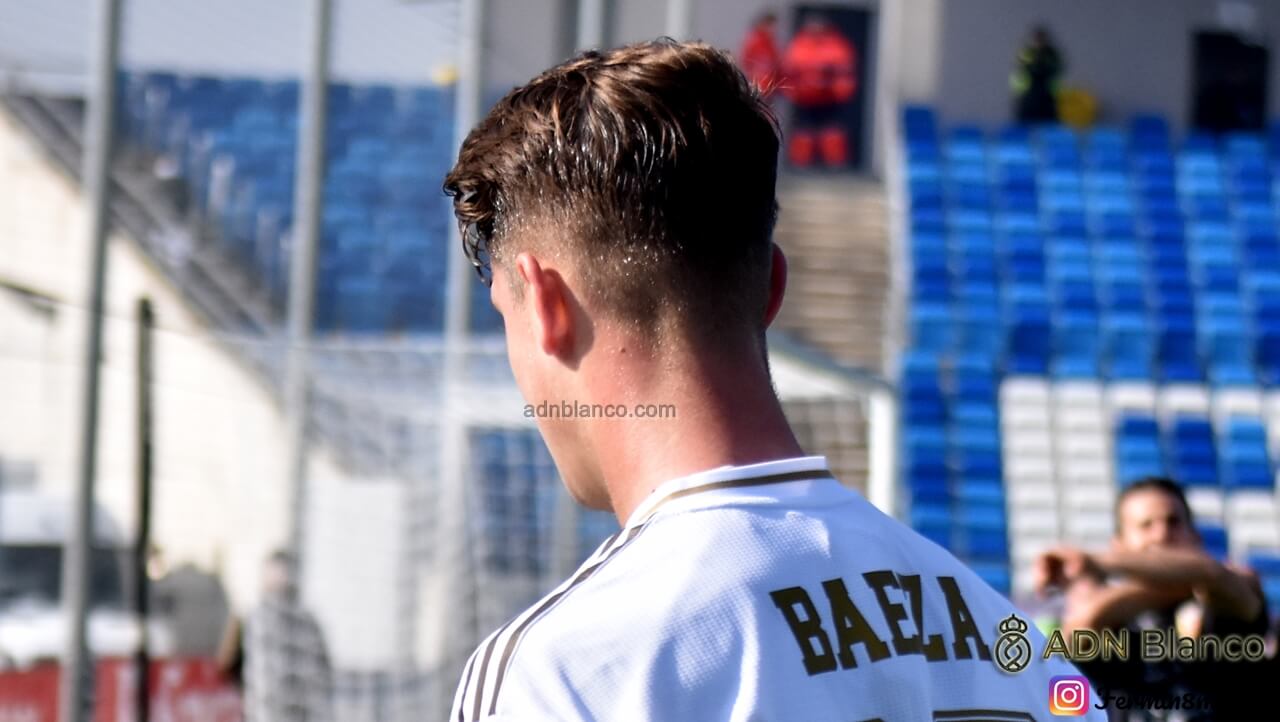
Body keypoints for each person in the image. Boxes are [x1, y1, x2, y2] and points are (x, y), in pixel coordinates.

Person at [443, 39, 1100, 721]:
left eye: (504, 315)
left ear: (546, 306)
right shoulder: (1030, 658)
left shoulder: (567, 673)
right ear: (772, 290)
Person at [1034, 477, 1272, 721]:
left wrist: (1098, 562)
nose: (1161, 534)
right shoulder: (1108, 618)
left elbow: (1218, 579)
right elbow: (1082, 627)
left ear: (1195, 537)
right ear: (1119, 546)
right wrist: (1191, 581)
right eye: (1145, 525)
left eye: (1173, 522)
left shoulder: (1227, 592)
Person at [217, 551, 333, 722]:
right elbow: (325, 670)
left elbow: (227, 664)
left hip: (268, 712)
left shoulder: (254, 618)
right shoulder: (309, 620)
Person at [781, 15, 857, 168]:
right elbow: (789, 70)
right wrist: (792, 90)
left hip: (829, 97)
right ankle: (801, 163)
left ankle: (834, 163)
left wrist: (841, 90)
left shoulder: (836, 45)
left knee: (832, 131)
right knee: (803, 132)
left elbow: (845, 70)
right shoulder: (799, 44)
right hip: (805, 97)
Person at [1010, 25, 1065, 124]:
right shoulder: (1027, 53)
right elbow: (1022, 69)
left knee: (1049, 123)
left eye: (1041, 39)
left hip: (1048, 97)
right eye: (1037, 39)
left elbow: (1056, 70)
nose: (1039, 42)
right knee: (1026, 124)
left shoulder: (1052, 54)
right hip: (1028, 97)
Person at [738, 11, 782, 97]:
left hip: (770, 88)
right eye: (771, 25)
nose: (773, 29)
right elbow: (745, 63)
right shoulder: (754, 41)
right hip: (756, 88)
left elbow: (777, 63)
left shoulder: (771, 43)